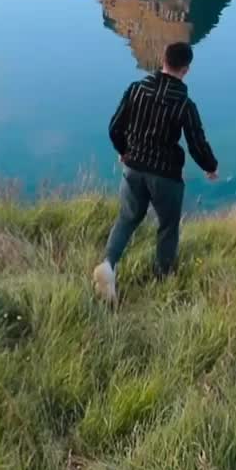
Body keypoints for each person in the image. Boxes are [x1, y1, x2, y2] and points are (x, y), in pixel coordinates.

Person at [93, 41, 218, 304]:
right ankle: (162, 281)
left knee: (127, 219)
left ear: (162, 59)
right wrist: (210, 166)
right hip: (165, 175)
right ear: (186, 69)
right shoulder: (184, 104)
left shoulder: (136, 89)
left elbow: (114, 126)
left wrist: (124, 150)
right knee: (167, 227)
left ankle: (108, 264)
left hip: (134, 167)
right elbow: (197, 142)